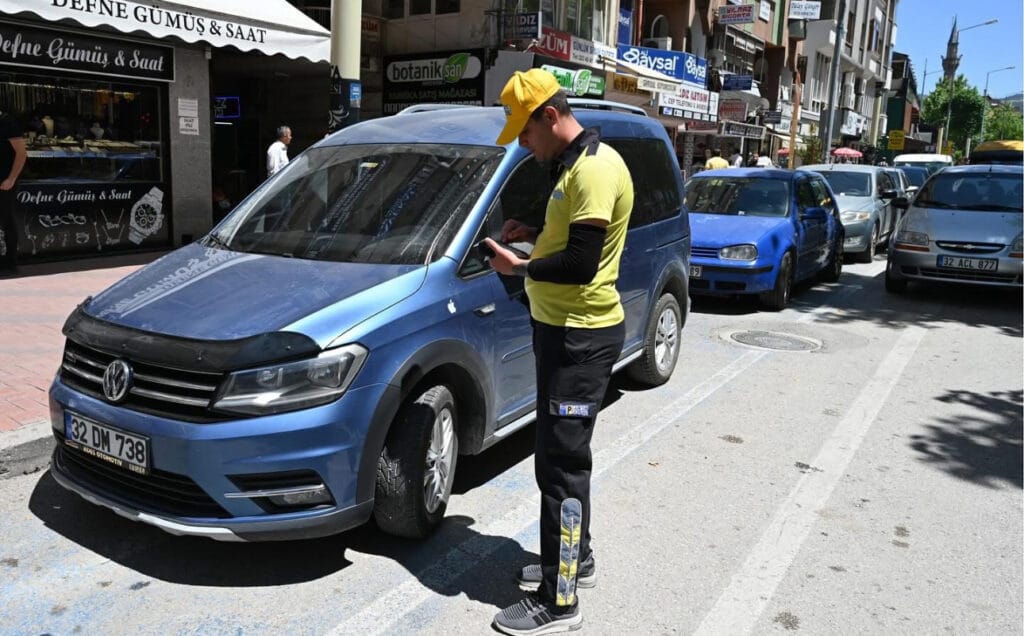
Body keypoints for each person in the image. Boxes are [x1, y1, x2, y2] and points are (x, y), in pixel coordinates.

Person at [483, 68, 633, 636]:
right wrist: (532, 234)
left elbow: (582, 265)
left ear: (550, 116)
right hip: (560, 331)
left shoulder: (593, 170)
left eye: (525, 132)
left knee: (562, 468)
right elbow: (567, 242)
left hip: (579, 337)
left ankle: (559, 599)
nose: (523, 144)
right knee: (557, 459)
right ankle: (575, 559)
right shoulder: (573, 166)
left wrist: (520, 267)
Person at [0, 106, 26, 276]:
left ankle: (10, 262)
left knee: (6, 220)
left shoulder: (7, 123)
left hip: (5, 182)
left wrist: (11, 178)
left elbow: (21, 153)